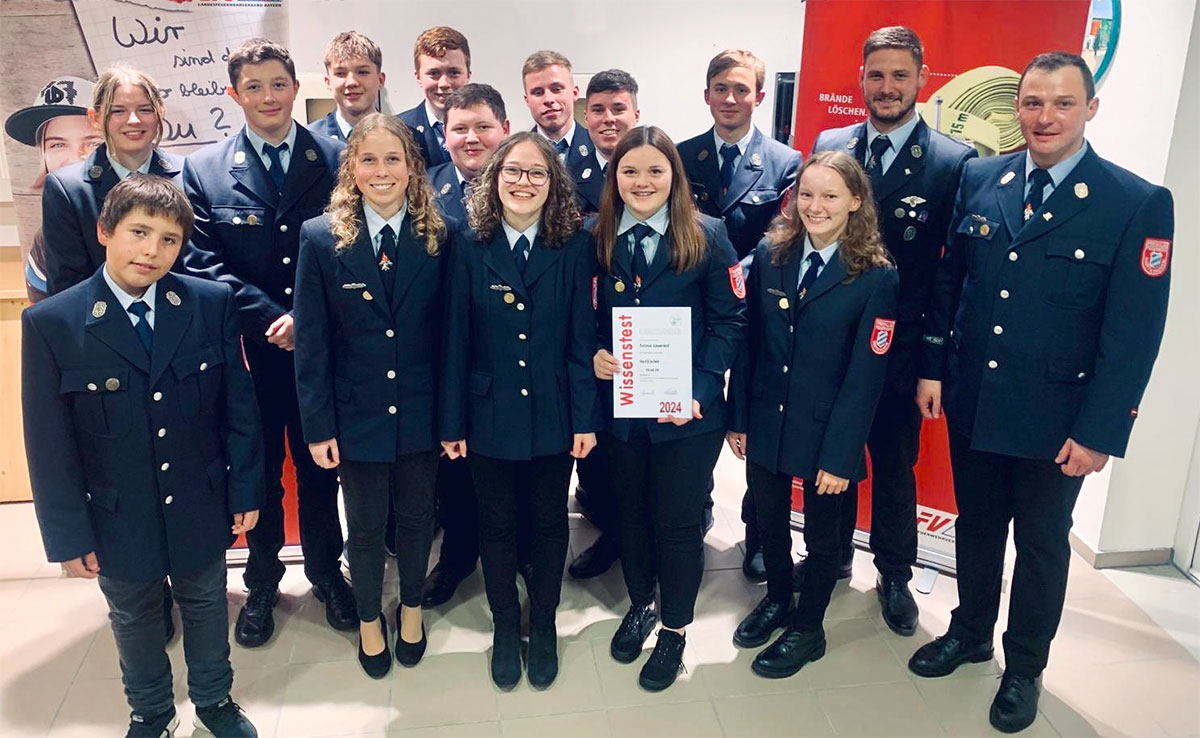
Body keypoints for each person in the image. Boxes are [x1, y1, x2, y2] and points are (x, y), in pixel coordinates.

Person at [911, 52, 1173, 733]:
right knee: (976, 527)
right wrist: (933, 366)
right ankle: (970, 632)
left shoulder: (1134, 201)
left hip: (1058, 420)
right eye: (1032, 102)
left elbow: (1134, 334)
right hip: (976, 398)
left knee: (1041, 545)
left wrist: (1100, 432)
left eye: (1062, 103)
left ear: (1091, 109)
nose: (1045, 116)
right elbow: (953, 281)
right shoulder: (982, 177)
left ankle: (1024, 666)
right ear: (1017, 107)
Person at [22, 174, 264, 738]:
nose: (152, 250)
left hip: (200, 496)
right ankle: (151, 712)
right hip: (116, 511)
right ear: (105, 232)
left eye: (169, 239)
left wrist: (246, 489)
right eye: (138, 232)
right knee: (133, 614)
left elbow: (239, 410)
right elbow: (49, 445)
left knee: (205, 602)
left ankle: (215, 702)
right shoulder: (53, 323)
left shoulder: (209, 303)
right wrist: (68, 535)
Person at [183, 38, 356, 648]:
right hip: (249, 355)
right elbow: (203, 265)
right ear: (235, 95)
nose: (268, 97)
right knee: (255, 471)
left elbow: (351, 248)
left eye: (278, 84)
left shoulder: (337, 159)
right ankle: (261, 582)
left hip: (321, 351)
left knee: (320, 467)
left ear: (296, 88)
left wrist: (306, 319)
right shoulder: (204, 170)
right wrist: (273, 318)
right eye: (253, 87)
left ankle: (327, 574)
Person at [809, 26, 977, 635]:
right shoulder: (831, 144)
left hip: (900, 351)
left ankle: (895, 572)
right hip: (831, 345)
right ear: (860, 78)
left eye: (900, 75)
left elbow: (950, 275)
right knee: (832, 456)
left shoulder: (953, 162)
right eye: (876, 74)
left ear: (921, 79)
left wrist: (932, 362)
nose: (887, 87)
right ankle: (829, 560)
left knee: (894, 465)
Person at [726, 151, 898, 678]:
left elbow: (866, 377)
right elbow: (750, 344)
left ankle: (809, 627)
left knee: (824, 538)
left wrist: (841, 456)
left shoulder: (875, 276)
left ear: (855, 201)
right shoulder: (771, 254)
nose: (815, 206)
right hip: (767, 419)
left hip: (827, 431)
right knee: (769, 521)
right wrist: (738, 418)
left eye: (829, 196)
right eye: (806, 194)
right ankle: (778, 598)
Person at [441, 132, 598, 689]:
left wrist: (585, 418)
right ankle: (507, 623)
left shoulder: (574, 246)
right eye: (512, 171)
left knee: (551, 521)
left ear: (553, 184)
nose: (523, 182)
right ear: (494, 178)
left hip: (555, 410)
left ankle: (545, 621)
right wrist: (452, 421)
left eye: (536, 173)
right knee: (497, 522)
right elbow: (455, 339)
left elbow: (582, 339)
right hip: (487, 412)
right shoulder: (467, 244)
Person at [295, 114, 450, 678]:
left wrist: (451, 418)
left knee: (416, 519)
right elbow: (311, 342)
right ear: (351, 169)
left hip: (422, 410)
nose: (381, 171)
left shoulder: (440, 235)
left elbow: (452, 337)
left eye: (393, 159)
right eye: (369, 160)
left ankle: (410, 610)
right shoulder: (320, 237)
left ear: (412, 167)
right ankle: (367, 619)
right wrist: (318, 426)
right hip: (354, 413)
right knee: (362, 528)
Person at [593, 126, 746, 691]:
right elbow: (583, 316)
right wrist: (595, 353)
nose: (642, 181)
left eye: (655, 170)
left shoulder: (708, 234)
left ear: (673, 177)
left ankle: (675, 630)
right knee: (630, 515)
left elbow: (730, 320)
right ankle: (641, 605)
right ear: (615, 177)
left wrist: (700, 391)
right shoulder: (594, 236)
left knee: (677, 524)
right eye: (630, 170)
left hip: (688, 419)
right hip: (622, 410)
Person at [678, 49, 802, 557]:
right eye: (721, 89)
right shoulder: (682, 156)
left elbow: (782, 237)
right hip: (692, 311)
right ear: (706, 94)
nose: (730, 98)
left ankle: (759, 533)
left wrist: (731, 276)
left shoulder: (785, 162)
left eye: (741, 89)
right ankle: (695, 506)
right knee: (696, 407)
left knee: (756, 421)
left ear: (760, 96)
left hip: (758, 309)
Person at [568, 68, 641, 579]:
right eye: (598, 110)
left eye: (619, 109)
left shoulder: (661, 164)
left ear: (636, 113)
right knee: (599, 453)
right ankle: (609, 530)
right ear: (586, 116)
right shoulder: (562, 172)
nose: (608, 119)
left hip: (655, 349)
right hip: (595, 343)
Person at [42, 66, 185, 296]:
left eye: (145, 110)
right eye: (118, 111)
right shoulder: (67, 188)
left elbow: (198, 265)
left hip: (181, 311)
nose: (134, 120)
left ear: (160, 113)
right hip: (99, 314)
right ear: (95, 118)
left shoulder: (188, 175)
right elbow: (67, 281)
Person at [3, 76, 104, 301]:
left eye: (93, 143)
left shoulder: (160, 214)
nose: (76, 158)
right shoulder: (45, 244)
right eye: (58, 144)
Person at [522, 51, 597, 212]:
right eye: (538, 92)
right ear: (527, 100)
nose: (548, 100)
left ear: (575, 93)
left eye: (556, 89)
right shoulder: (515, 156)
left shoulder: (598, 149)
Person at [429, 83, 510, 224]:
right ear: (445, 134)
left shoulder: (524, 186)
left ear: (505, 130)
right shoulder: (423, 187)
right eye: (460, 129)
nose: (471, 139)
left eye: (483, 127)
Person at [397, 26, 472, 168]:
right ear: (418, 77)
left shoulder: (486, 129)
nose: (444, 84)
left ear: (468, 75)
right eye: (434, 73)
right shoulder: (398, 129)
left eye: (454, 73)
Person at [309, 31, 387, 143]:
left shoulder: (404, 138)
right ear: (328, 82)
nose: (351, 82)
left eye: (362, 72)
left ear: (380, 80)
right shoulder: (310, 140)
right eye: (340, 73)